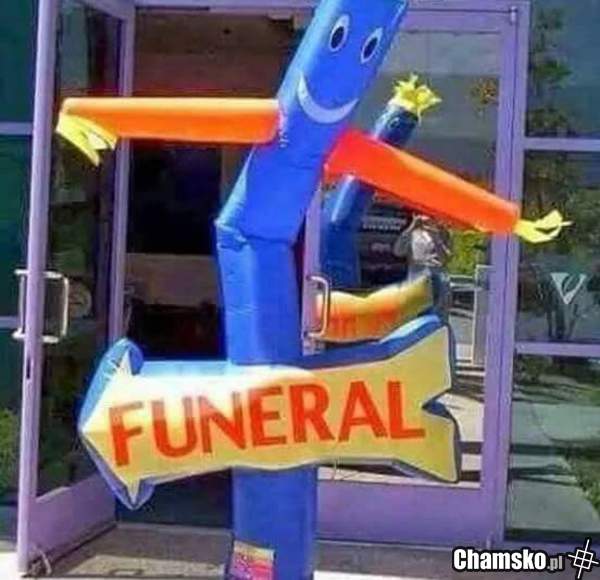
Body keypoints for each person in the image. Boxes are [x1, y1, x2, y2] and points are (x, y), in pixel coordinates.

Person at [394, 214, 452, 319]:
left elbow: (445, 259)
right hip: (417, 277)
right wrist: (411, 227)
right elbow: (398, 251)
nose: (426, 220)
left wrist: (436, 239)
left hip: (437, 277)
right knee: (415, 313)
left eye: (431, 216)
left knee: (437, 315)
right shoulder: (412, 233)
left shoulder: (443, 233)